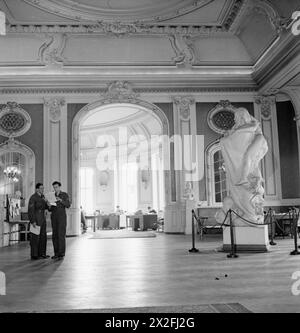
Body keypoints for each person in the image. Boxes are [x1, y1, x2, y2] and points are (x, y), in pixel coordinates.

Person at [28, 183, 50, 260]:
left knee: (43, 236)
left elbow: (47, 207)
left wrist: (47, 202)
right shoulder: (33, 197)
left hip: (43, 219)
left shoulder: (43, 197)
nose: (42, 190)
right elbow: (31, 210)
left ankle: (42, 253)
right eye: (41, 188)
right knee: (35, 237)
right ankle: (34, 255)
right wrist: (33, 221)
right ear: (36, 189)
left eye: (43, 188)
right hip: (36, 218)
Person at [49, 181, 70, 260]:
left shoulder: (64, 195)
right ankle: (56, 253)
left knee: (61, 235)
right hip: (54, 217)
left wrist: (61, 200)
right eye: (54, 187)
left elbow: (68, 205)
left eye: (56, 187)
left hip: (61, 217)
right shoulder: (52, 195)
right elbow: (50, 209)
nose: (55, 189)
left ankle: (61, 254)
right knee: (55, 236)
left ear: (60, 187)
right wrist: (49, 205)